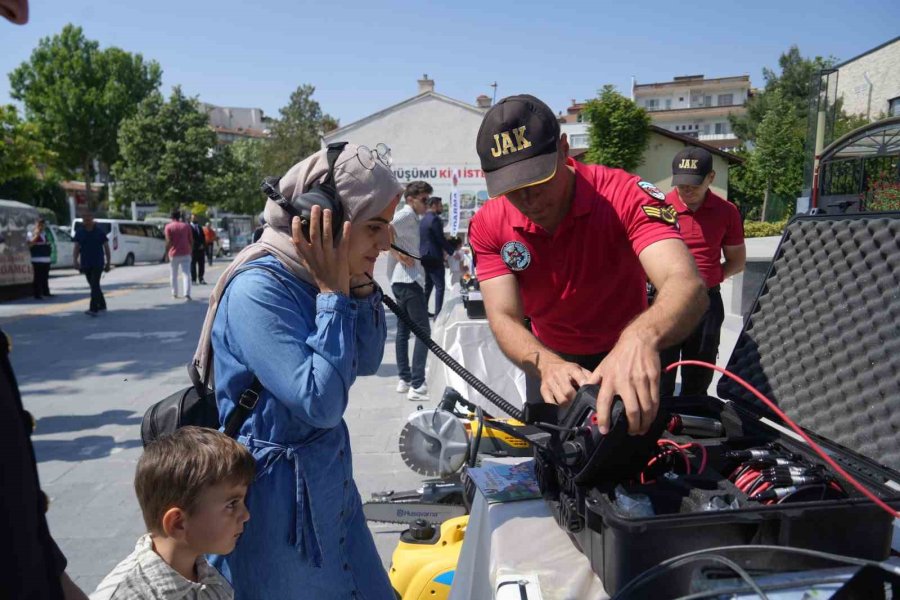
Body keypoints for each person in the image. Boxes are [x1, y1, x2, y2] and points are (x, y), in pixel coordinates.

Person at [195, 143, 403, 599]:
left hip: (330, 483)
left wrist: (359, 284)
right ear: (318, 220)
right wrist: (333, 294)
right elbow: (321, 401)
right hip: (277, 505)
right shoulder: (257, 290)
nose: (386, 243)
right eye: (374, 227)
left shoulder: (321, 274)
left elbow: (365, 361)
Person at [468, 94, 708, 435]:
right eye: (513, 189)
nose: (529, 200)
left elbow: (685, 282)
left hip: (628, 354)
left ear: (564, 150)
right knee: (558, 463)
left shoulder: (622, 194)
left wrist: (641, 338)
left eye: (538, 180)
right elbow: (503, 316)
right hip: (549, 361)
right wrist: (546, 363)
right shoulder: (489, 223)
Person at [90, 427, 254, 599]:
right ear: (178, 523)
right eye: (232, 504)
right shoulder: (125, 595)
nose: (246, 515)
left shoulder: (210, 580)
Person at [659, 148, 746, 397]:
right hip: (663, 302)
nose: (687, 190)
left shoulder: (726, 211)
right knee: (658, 376)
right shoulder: (658, 207)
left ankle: (692, 425)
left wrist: (707, 279)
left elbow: (736, 261)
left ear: (711, 177)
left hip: (706, 304)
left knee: (698, 378)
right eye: (681, 183)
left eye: (694, 183)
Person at [388, 181, 432, 402]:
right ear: (411, 199)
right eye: (424, 200)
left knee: (404, 332)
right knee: (424, 332)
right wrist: (397, 255)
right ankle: (417, 384)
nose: (427, 204)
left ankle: (405, 380)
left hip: (403, 280)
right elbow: (383, 229)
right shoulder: (405, 215)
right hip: (408, 280)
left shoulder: (413, 217)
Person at [419, 196, 457, 316]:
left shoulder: (424, 219)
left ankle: (423, 310)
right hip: (434, 256)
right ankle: (438, 314)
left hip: (424, 255)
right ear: (434, 205)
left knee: (429, 284)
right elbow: (440, 239)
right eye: (440, 205)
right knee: (440, 286)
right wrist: (452, 252)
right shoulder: (435, 220)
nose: (442, 208)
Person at [73, 213, 111, 317]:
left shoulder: (99, 232)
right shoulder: (80, 232)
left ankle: (93, 308)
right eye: (85, 220)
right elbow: (76, 247)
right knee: (94, 285)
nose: (87, 222)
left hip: (98, 262)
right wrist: (75, 260)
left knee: (94, 285)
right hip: (85, 263)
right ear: (83, 221)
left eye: (89, 219)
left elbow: (106, 248)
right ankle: (102, 304)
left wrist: (108, 263)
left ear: (92, 219)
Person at [165, 210, 193, 300]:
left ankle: (174, 293)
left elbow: (169, 241)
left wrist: (166, 253)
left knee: (173, 274)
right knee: (186, 274)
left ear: (171, 217)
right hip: (185, 252)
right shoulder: (186, 226)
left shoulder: (168, 227)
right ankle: (187, 294)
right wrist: (190, 250)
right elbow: (191, 240)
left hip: (174, 253)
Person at [28, 218, 52, 299]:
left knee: (45, 276)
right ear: (36, 225)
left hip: (46, 259)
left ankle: (46, 292)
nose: (42, 226)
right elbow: (30, 245)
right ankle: (37, 294)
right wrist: (37, 235)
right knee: (38, 277)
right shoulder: (31, 233)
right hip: (37, 259)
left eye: (43, 225)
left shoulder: (44, 233)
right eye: (40, 224)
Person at [189, 213, 207, 285]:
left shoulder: (200, 227)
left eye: (195, 218)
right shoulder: (189, 227)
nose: (194, 219)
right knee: (193, 264)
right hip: (193, 249)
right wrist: (198, 245)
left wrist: (203, 245)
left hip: (201, 249)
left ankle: (201, 278)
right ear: (190, 219)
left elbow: (203, 237)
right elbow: (191, 238)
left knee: (201, 264)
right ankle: (193, 279)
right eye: (193, 218)